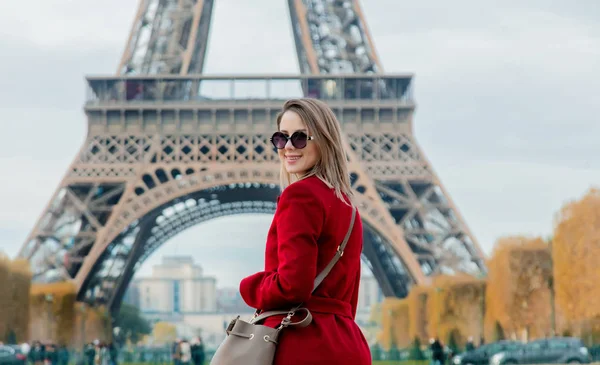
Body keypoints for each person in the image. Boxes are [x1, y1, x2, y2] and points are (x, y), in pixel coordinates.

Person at [239, 98, 371, 365]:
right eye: (281, 137)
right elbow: (351, 297)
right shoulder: (348, 206)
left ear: (322, 140)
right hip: (347, 344)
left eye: (300, 138)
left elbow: (292, 287)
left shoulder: (299, 195)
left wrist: (250, 286)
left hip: (302, 346)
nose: (288, 147)